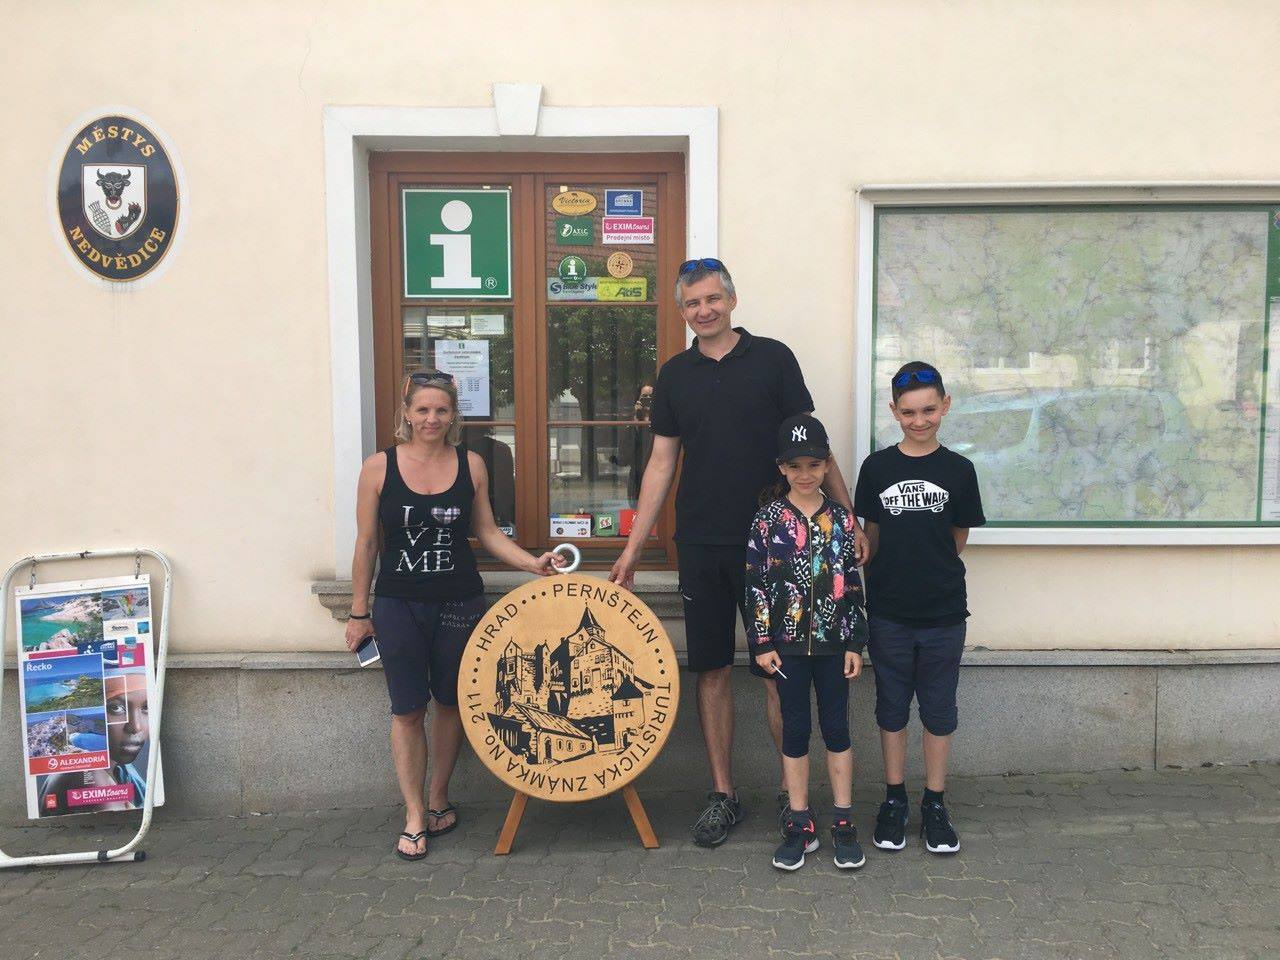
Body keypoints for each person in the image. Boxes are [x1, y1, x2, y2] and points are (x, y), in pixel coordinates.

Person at [608, 258, 867, 847]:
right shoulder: (675, 375)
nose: (704, 310)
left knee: (780, 670)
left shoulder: (774, 359)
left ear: (731, 299)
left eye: (712, 299)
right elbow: (661, 463)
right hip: (702, 542)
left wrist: (846, 519)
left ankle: (791, 797)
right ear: (683, 311)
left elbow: (813, 448)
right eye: (692, 303)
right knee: (712, 670)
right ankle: (723, 795)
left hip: (778, 546)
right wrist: (633, 547)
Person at [345, 370, 565, 861]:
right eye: (422, 409)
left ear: (453, 416)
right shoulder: (378, 467)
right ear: (407, 414)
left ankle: (438, 799)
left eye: (441, 410)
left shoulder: (472, 465)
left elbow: (486, 532)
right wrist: (359, 612)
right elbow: (367, 542)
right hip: (398, 604)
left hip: (459, 603)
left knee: (450, 702)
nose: (431, 418)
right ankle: (413, 815)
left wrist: (532, 564)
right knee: (407, 710)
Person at [853, 361, 985, 855]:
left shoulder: (960, 470)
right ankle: (894, 799)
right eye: (908, 412)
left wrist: (931, 571)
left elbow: (957, 537)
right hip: (888, 612)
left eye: (928, 410)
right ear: (894, 411)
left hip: (943, 613)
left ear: (945, 405)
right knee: (891, 706)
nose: (919, 420)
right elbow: (871, 535)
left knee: (938, 707)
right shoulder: (877, 468)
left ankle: (934, 801)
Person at [747, 414, 868, 871]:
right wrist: (762, 642)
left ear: (827, 465)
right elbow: (755, 584)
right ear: (782, 467)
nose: (805, 474)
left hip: (835, 647)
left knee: (837, 729)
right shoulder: (767, 521)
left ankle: (843, 821)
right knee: (795, 731)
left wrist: (855, 642)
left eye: (814, 464)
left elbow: (851, 583)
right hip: (786, 650)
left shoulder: (841, 519)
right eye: (795, 466)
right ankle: (799, 822)